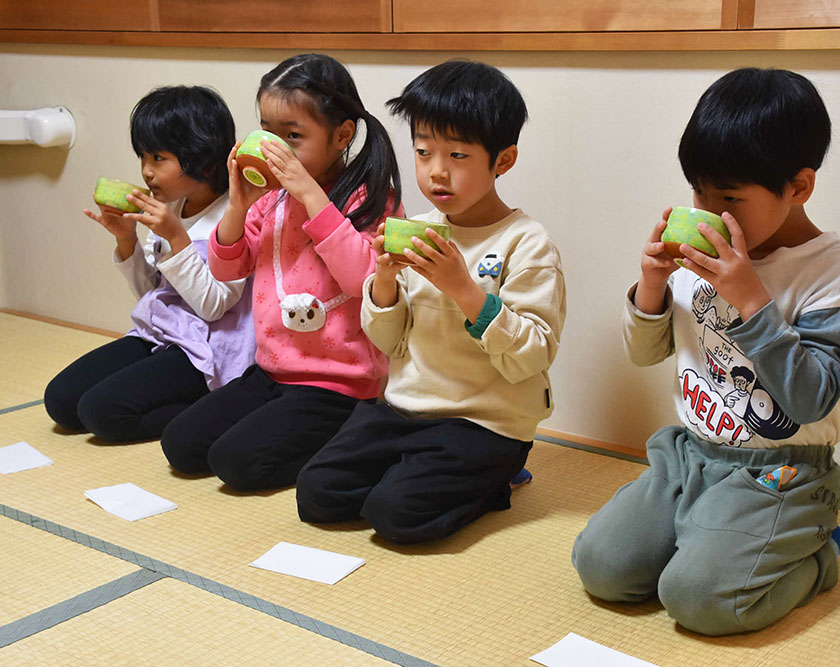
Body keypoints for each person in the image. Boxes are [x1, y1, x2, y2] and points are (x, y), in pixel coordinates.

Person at [571, 67, 840, 636]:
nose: (709, 210)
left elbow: (810, 398)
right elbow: (645, 354)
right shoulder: (701, 258)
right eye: (699, 190)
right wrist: (652, 285)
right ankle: (711, 538)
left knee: (701, 602)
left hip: (780, 473)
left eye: (730, 196)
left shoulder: (834, 275)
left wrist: (751, 300)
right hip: (689, 454)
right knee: (603, 568)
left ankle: (816, 554)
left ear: (799, 187)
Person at [296, 60, 566, 544]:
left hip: (485, 422)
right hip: (407, 408)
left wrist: (463, 288)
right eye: (423, 153)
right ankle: (415, 468)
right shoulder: (417, 228)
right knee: (317, 493)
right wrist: (382, 279)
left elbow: (532, 356)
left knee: (396, 516)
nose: (436, 172)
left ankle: (495, 482)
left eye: (458, 156)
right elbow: (390, 342)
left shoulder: (527, 242)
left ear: (502, 160)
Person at [160, 53, 402, 491]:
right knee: (182, 444)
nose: (276, 147)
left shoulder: (368, 197)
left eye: (293, 136)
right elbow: (227, 267)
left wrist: (310, 195)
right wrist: (238, 204)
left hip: (339, 385)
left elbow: (364, 281)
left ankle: (359, 434)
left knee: (234, 464)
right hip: (271, 371)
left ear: (341, 135)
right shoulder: (270, 200)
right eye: (268, 132)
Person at [44, 85, 255, 443]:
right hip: (160, 334)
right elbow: (153, 295)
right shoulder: (169, 210)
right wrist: (126, 240)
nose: (146, 172)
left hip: (206, 347)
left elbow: (214, 308)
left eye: (158, 158)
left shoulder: (234, 217)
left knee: (102, 413)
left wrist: (177, 239)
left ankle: (210, 404)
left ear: (202, 159)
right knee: (62, 401)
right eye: (143, 157)